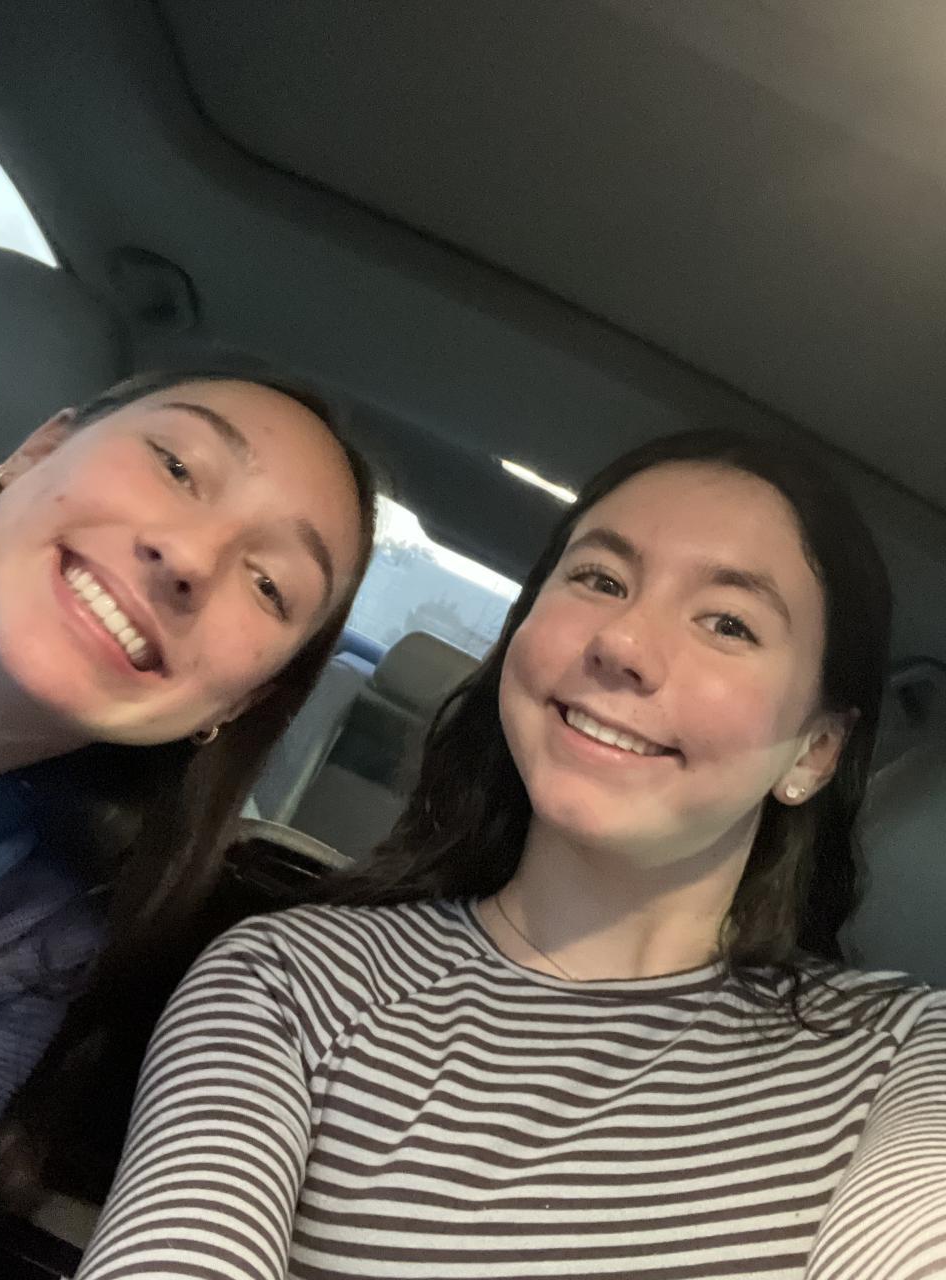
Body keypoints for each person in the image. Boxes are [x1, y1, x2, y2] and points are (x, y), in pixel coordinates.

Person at [75, 429, 945, 1280]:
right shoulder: (291, 979)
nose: (623, 644)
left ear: (815, 752)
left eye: (728, 623)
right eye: (600, 579)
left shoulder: (905, 1054)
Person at [0, 365, 376, 1208]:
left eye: (270, 586)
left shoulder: (43, 936)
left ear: (234, 706)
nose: (193, 558)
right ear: (37, 451)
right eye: (175, 465)